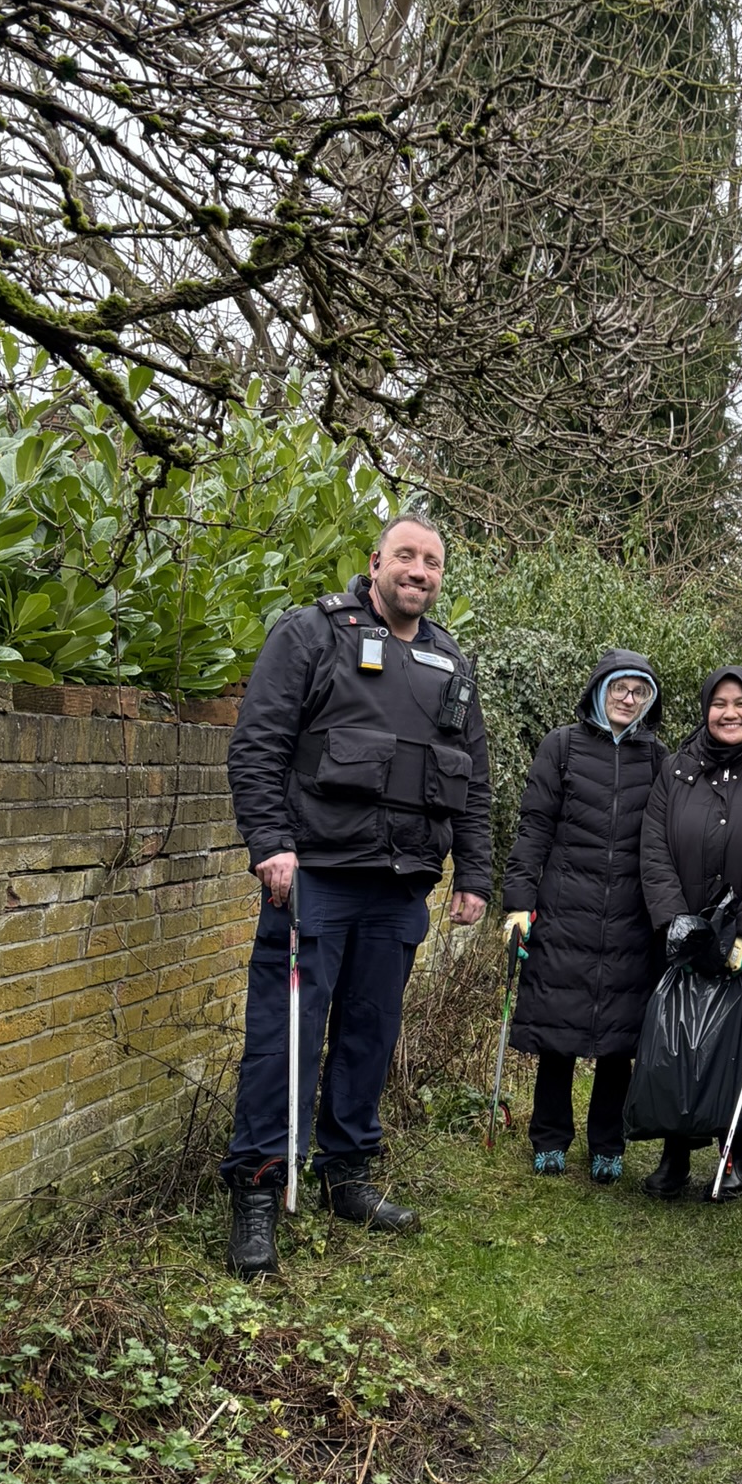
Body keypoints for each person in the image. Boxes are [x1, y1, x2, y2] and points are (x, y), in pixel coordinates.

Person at [221, 513, 491, 1279]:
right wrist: (270, 843)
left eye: (432, 561)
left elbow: (472, 778)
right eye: (406, 555)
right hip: (316, 879)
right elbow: (259, 743)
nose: (419, 571)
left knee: (370, 1036)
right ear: (376, 562)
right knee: (285, 1038)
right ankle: (258, 1188)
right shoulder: (311, 634)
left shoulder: (450, 660)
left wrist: (474, 873)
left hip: (400, 887)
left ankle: (347, 1174)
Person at [501, 652, 665, 1182]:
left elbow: (667, 840)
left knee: (620, 1040)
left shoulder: (657, 758)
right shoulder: (562, 746)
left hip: (631, 917)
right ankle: (549, 1137)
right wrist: (518, 902)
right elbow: (533, 828)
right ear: (600, 690)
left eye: (639, 691)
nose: (628, 699)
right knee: (559, 1030)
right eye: (620, 688)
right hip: (565, 909)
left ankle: (607, 1144)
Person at [639, 666, 742, 1200]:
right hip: (684, 934)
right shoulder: (675, 770)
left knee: (737, 1041)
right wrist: (677, 923)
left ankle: (734, 1152)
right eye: (719, 703)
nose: (730, 713)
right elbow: (653, 847)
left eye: (741, 703)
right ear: (706, 709)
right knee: (679, 1039)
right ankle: (675, 1152)